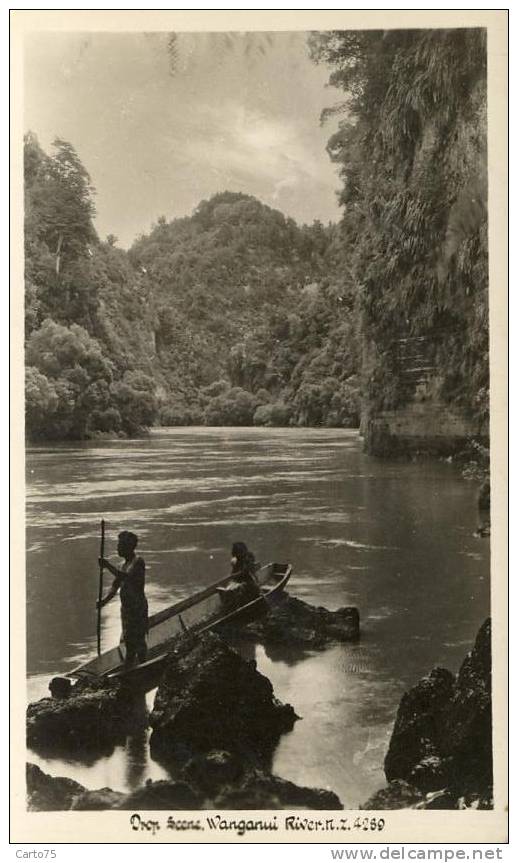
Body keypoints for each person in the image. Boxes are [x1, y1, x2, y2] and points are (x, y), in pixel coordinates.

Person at [97, 531, 148, 666]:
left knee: (138, 639)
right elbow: (115, 586)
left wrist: (107, 566)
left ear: (128, 547)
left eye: (120, 546)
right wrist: (104, 601)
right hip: (126, 609)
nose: (118, 548)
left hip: (137, 608)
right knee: (128, 639)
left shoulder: (138, 562)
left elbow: (127, 578)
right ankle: (129, 665)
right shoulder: (122, 565)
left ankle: (144, 665)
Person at [217, 542, 260, 608]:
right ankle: (230, 606)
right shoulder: (236, 560)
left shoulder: (248, 557)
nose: (235, 555)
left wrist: (236, 575)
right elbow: (233, 573)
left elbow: (246, 571)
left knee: (240, 589)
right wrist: (234, 575)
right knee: (230, 590)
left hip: (249, 581)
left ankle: (239, 604)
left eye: (237, 553)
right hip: (240, 580)